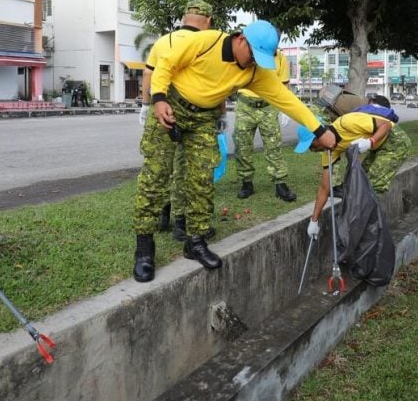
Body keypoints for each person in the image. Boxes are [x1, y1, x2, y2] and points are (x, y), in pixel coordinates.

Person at [131, 20, 336, 282]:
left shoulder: (254, 72)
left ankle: (195, 241)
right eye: (253, 55)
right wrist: (158, 99)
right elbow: (165, 65)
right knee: (155, 176)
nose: (254, 62)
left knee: (202, 179)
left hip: (204, 118)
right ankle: (144, 247)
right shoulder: (205, 42)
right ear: (240, 39)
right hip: (170, 105)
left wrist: (320, 130)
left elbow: (288, 101)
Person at [140, 0, 214, 241]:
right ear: (208, 20)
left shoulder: (164, 41)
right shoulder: (209, 43)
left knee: (159, 168)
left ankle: (163, 216)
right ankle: (181, 224)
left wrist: (144, 105)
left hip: (161, 111)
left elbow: (149, 74)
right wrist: (219, 116)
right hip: (193, 114)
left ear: (184, 18)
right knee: (185, 169)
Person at [294, 96, 412, 237]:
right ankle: (362, 232)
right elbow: (324, 188)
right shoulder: (330, 151)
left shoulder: (347, 123)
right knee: (359, 183)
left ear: (319, 137)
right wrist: (314, 220)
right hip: (377, 148)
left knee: (371, 187)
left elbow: (385, 125)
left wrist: (370, 142)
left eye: (312, 146)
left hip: (395, 142)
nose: (312, 151)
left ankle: (370, 235)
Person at [233, 48, 297, 202]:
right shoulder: (245, 52)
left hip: (269, 106)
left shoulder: (280, 57)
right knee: (242, 147)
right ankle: (246, 183)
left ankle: (280, 184)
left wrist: (285, 110)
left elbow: (284, 85)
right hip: (245, 106)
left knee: (274, 147)